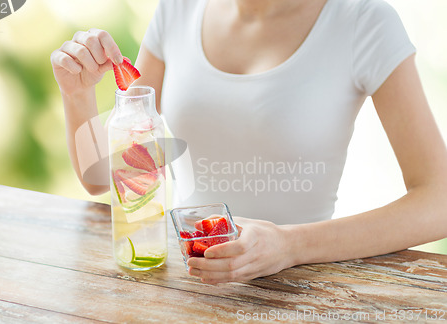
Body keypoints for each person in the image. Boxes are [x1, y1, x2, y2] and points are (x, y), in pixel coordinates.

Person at [51, 0, 447, 285]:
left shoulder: (363, 20)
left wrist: (289, 246)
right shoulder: (177, 9)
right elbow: (107, 175)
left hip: (301, 290)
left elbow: (439, 200)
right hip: (185, 283)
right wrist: (77, 93)